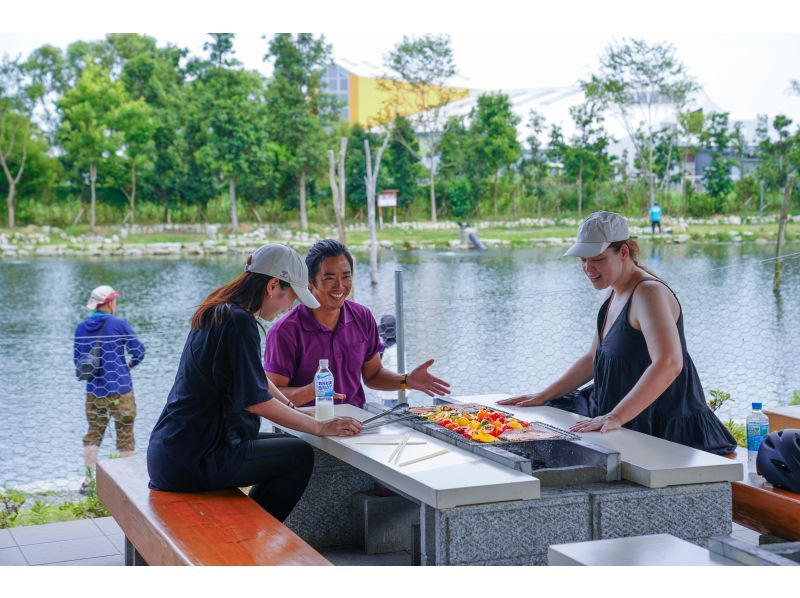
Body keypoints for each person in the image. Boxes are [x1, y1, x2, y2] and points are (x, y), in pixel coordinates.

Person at [147, 244, 363, 522]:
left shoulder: (220, 310)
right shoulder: (238, 323)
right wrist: (319, 426)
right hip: (196, 457)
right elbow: (256, 402)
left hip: (174, 449)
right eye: (292, 298)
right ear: (273, 286)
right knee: (298, 455)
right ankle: (250, 540)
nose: (289, 308)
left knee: (287, 447)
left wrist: (295, 410)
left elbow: (254, 375)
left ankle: (251, 536)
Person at [498, 211, 736, 455]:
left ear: (623, 252)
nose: (588, 268)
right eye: (582, 260)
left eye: (597, 259)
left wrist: (616, 416)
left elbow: (669, 362)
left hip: (659, 427)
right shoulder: (615, 293)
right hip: (617, 415)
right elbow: (592, 359)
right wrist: (543, 395)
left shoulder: (648, 293)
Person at [264, 239, 450, 410]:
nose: (340, 286)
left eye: (346, 276)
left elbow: (373, 375)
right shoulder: (285, 330)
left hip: (355, 424)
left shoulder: (362, 317)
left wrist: (407, 381)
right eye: (329, 278)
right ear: (310, 282)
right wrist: (311, 392)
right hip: (304, 431)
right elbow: (273, 397)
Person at [73, 285, 145, 494]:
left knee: (93, 434)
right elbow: (138, 351)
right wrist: (127, 366)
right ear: (109, 302)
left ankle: (88, 479)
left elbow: (78, 361)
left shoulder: (81, 327)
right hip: (121, 389)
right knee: (125, 433)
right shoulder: (119, 324)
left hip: (94, 390)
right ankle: (129, 477)